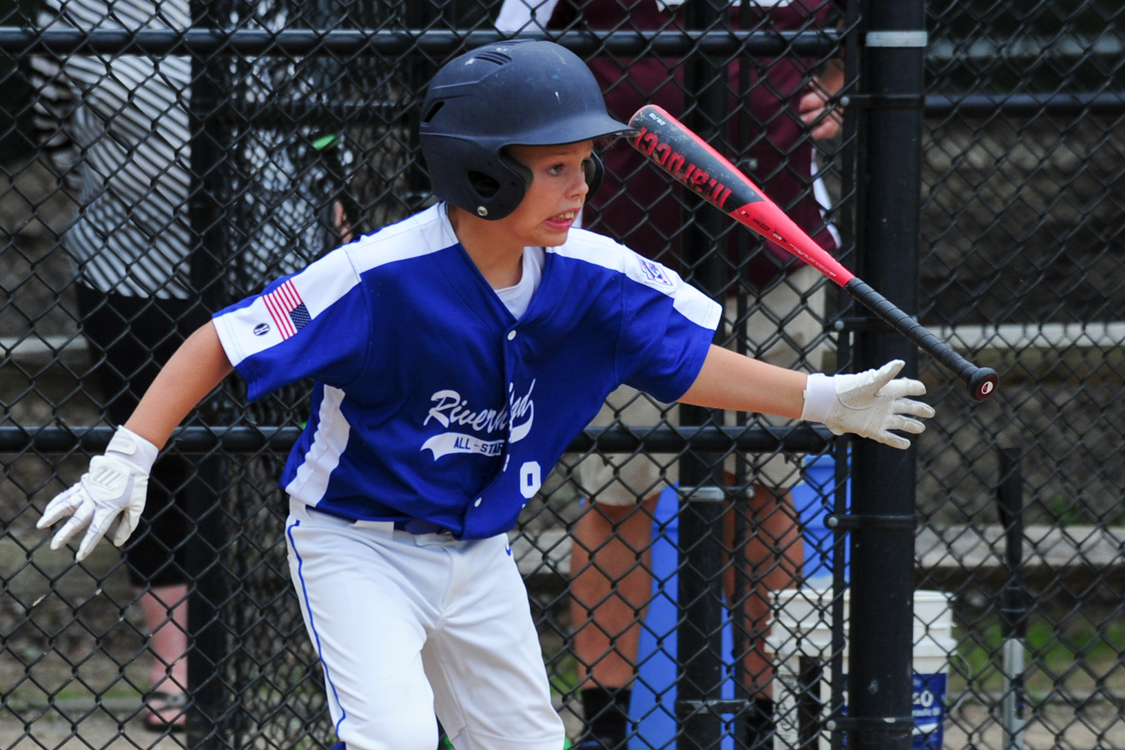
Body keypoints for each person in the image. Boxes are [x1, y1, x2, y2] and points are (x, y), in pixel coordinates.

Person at [35, 40, 932, 750]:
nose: (580, 188)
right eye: (554, 169)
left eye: (584, 164)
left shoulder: (590, 273)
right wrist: (130, 452)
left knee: (525, 741)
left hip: (478, 554)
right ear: (480, 173)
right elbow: (222, 340)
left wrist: (818, 398)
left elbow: (684, 360)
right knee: (389, 734)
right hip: (357, 542)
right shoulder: (381, 275)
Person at [494, 2, 844, 747]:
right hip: (620, 260)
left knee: (766, 488)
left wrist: (840, 87)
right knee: (618, 491)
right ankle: (606, 728)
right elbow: (500, 65)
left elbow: (858, 38)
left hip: (772, 257)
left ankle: (765, 717)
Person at [28, 0, 355, 731]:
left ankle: (340, 648)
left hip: (275, 272)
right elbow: (56, 131)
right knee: (153, 463)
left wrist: (334, 225)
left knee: (307, 453)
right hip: (130, 268)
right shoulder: (71, 8)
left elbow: (322, 124)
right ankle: (172, 669)